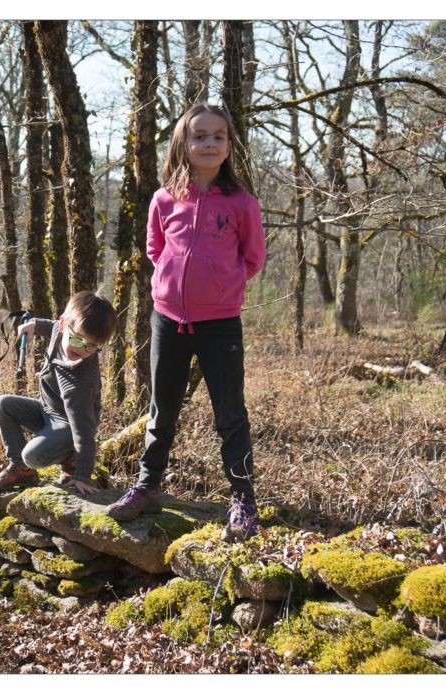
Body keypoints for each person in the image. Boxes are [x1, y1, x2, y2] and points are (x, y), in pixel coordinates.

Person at [104, 104, 266, 542]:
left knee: (230, 414)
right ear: (184, 143)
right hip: (168, 321)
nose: (209, 143)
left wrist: (221, 284)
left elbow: (253, 259)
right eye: (200, 136)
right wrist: (170, 283)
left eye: (218, 136)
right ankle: (148, 487)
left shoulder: (241, 203)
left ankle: (243, 501)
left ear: (228, 146)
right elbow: (155, 249)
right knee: (162, 411)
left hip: (220, 324)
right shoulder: (164, 198)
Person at [0, 291, 117, 496]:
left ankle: (70, 459)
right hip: (47, 411)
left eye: (92, 346)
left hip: (69, 425)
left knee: (32, 456)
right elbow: (52, 326)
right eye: (78, 339)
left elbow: (85, 431)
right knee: (2, 405)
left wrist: (82, 474)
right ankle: (21, 470)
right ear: (64, 326)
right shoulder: (59, 331)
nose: (82, 350)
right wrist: (34, 325)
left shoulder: (80, 383)